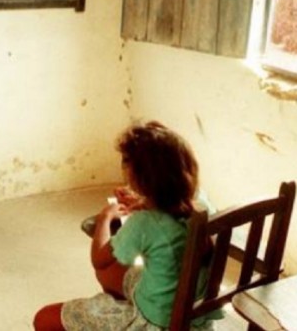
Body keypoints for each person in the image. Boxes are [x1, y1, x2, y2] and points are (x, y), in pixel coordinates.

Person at [34, 122, 221, 330]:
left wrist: (105, 218)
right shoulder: (201, 205)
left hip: (155, 322)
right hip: (192, 314)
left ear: (141, 177)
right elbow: (171, 210)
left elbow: (99, 259)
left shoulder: (144, 224)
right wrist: (144, 202)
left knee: (43, 318)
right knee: (113, 273)